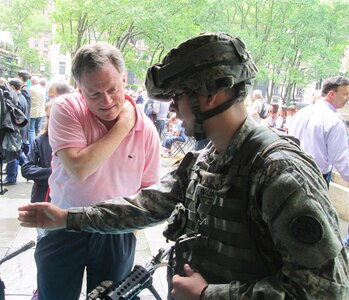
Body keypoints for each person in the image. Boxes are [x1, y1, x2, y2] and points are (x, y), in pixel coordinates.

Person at [18, 33, 349, 299]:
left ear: (209, 96)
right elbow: (145, 205)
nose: (173, 109)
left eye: (177, 96)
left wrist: (210, 294)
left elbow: (327, 290)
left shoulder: (279, 172)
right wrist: (69, 218)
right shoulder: (204, 161)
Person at [20, 42, 161, 300]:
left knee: (110, 296)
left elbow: (149, 193)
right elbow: (79, 168)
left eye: (112, 89)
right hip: (62, 221)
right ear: (79, 89)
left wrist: (129, 232)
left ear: (124, 78)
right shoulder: (66, 108)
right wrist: (124, 125)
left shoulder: (147, 130)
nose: (106, 101)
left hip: (115, 231)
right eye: (94, 94)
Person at [288, 76, 349, 188]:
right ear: (332, 94)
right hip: (315, 180)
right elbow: (342, 160)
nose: (347, 98)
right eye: (345, 94)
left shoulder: (301, 113)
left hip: (292, 173)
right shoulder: (334, 121)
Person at [21, 81, 71, 202]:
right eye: (48, 117)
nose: (51, 121)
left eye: (54, 116)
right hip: (42, 196)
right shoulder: (40, 140)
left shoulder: (73, 140)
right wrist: (56, 173)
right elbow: (27, 168)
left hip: (66, 198)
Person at [2, 78, 29, 185]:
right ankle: (27, 167)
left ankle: (12, 177)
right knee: (17, 153)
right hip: (18, 130)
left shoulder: (17, 99)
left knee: (13, 153)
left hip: (15, 131)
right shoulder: (21, 98)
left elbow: (17, 117)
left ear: (13, 86)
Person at [28, 76, 46, 144]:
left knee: (31, 130)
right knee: (38, 129)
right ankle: (38, 144)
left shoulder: (30, 89)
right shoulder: (43, 89)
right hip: (41, 112)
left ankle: (32, 145)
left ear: (32, 81)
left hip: (32, 113)